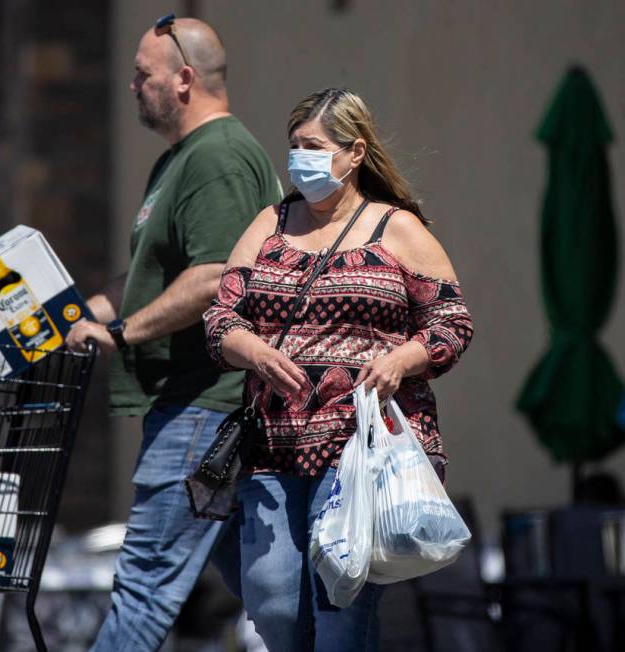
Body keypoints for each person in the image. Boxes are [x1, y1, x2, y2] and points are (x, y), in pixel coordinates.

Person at [203, 88, 475, 651]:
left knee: (340, 608)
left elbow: (452, 322)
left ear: (354, 153)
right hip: (273, 444)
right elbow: (220, 315)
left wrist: (403, 358)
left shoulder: (395, 228)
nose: (300, 157)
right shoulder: (271, 223)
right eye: (293, 145)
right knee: (275, 602)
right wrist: (250, 349)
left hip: (360, 446)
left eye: (314, 145)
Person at [66, 15, 281, 652]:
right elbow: (155, 272)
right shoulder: (179, 161)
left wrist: (124, 332)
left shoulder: (216, 157)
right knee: (275, 596)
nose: (132, 85)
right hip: (205, 413)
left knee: (141, 596)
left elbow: (216, 277)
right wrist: (90, 313)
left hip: (202, 413)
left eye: (143, 74)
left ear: (184, 79)